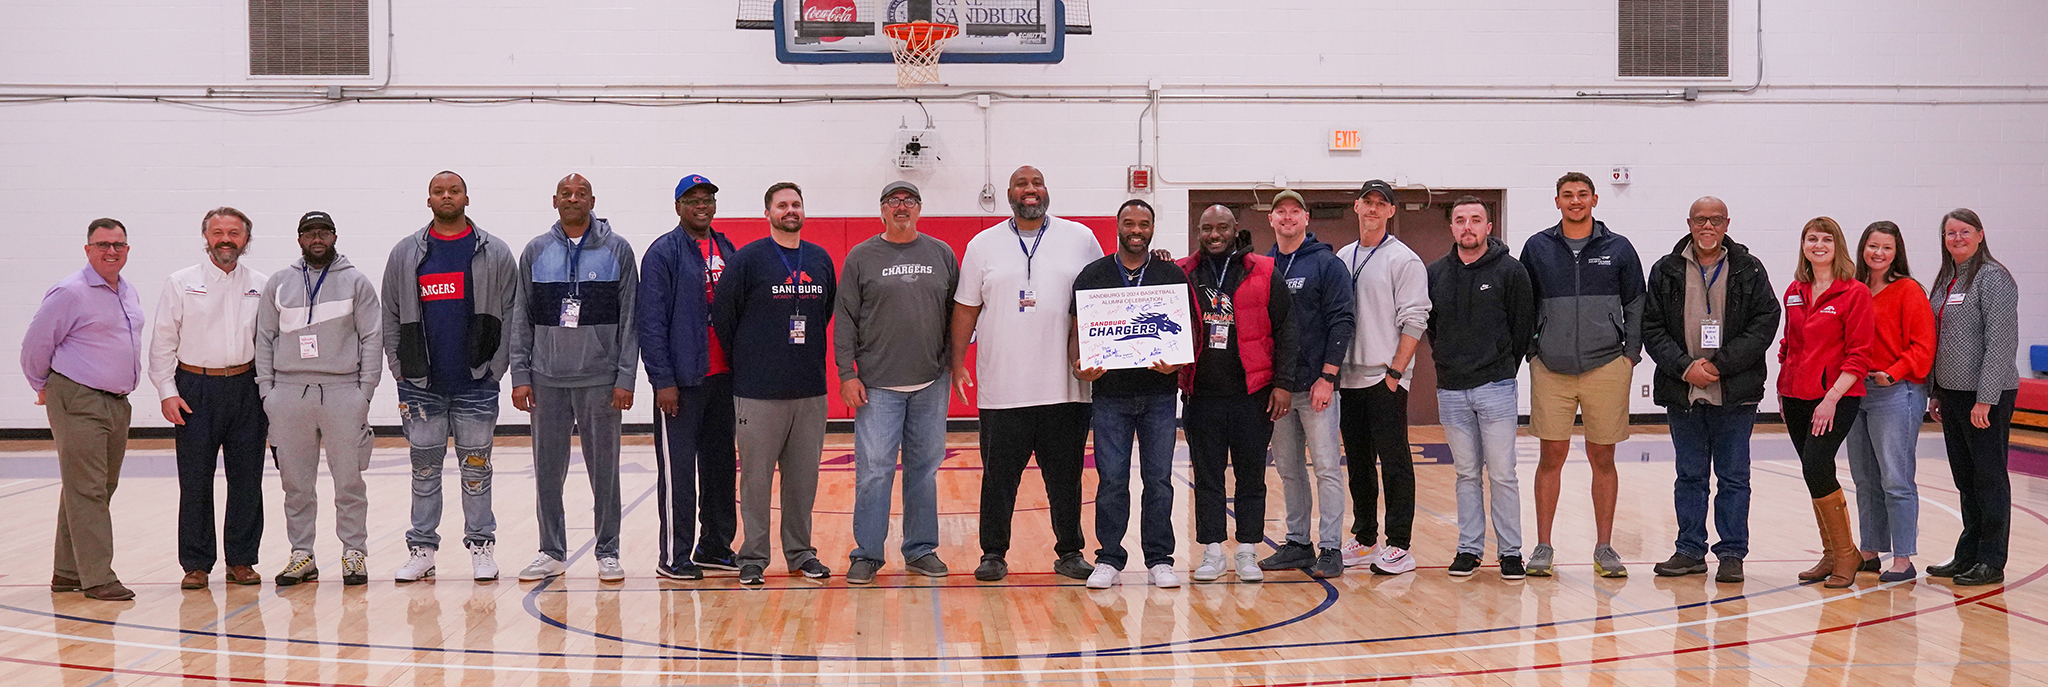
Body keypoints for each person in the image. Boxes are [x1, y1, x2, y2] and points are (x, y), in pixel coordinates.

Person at [950, 166, 1103, 582]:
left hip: (1066, 387)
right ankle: (993, 553)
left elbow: (1102, 296)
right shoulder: (983, 244)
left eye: (1036, 183)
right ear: (1009, 194)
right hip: (1003, 388)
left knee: (1066, 479)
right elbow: (966, 307)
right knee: (998, 480)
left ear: (1046, 190)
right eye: (1022, 184)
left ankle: (1070, 551)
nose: (1030, 190)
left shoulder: (1080, 238)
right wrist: (957, 360)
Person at [383, 170, 520, 583]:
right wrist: (399, 368)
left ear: (466, 198)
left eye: (454, 190)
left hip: (476, 383)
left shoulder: (493, 251)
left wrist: (496, 369)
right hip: (421, 385)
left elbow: (512, 312)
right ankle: (422, 549)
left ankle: (481, 545)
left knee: (476, 470)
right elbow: (390, 314)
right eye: (439, 191)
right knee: (424, 471)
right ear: (429, 201)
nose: (447, 196)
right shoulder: (406, 253)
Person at [1643, 197, 1779, 584]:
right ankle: (1689, 550)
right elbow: (1651, 327)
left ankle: (1732, 552)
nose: (1707, 226)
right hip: (1682, 390)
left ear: (1726, 223)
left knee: (1734, 476)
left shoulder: (1749, 269)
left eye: (1715, 220)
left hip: (1734, 391)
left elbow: (1765, 323)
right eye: (1701, 219)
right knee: (1689, 475)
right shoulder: (1666, 270)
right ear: (1689, 222)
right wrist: (1685, 368)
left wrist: (1719, 366)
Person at [510, 174, 639, 583]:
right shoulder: (535, 251)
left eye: (580, 194)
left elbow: (630, 322)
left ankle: (608, 551)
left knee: (606, 470)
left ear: (592, 201)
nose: (573, 199)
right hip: (547, 380)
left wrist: (625, 377)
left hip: (601, 380)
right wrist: (520, 373)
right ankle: (551, 550)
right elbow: (521, 318)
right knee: (547, 470)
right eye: (566, 193)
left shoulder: (618, 249)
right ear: (554, 201)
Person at [1519, 172, 1645, 578]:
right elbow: (1523, 302)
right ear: (1556, 201)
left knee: (1602, 458)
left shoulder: (1619, 248)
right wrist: (1532, 350)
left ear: (1594, 201)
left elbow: (1637, 304)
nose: (1575, 201)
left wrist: (1629, 355)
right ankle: (1543, 546)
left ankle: (1605, 548)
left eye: (1582, 195)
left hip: (1607, 366)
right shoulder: (1537, 248)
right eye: (1568, 195)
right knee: (1549, 457)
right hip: (1550, 368)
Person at [715, 182, 837, 585]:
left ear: (804, 211)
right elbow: (724, 318)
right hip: (757, 390)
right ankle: (752, 557)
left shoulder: (819, 260)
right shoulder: (748, 260)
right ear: (767, 212)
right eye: (782, 205)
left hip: (809, 390)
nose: (790, 210)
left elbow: (826, 312)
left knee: (803, 481)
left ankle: (801, 554)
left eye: (796, 204)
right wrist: (752, 360)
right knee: (755, 478)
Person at [837, 181, 959, 585]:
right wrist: (847, 373)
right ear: (883, 211)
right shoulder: (861, 257)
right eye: (894, 201)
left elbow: (958, 316)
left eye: (909, 201)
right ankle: (868, 553)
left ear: (920, 209)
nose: (901, 206)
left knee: (924, 471)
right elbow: (845, 321)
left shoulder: (941, 253)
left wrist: (953, 365)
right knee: (874, 472)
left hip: (930, 382)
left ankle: (920, 549)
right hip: (876, 386)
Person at [256, 211, 382, 587]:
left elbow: (372, 338)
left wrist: (365, 393)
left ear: (334, 236)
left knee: (349, 481)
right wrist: (268, 393)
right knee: (295, 483)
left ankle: (354, 553)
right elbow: (264, 339)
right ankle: (302, 554)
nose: (317, 239)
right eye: (310, 233)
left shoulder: (356, 281)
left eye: (323, 232)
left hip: (344, 392)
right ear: (299, 239)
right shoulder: (279, 283)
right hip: (289, 394)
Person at [22, 218, 145, 601]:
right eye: (103, 244)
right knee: (88, 489)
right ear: (88, 249)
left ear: (127, 249)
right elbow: (34, 346)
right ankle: (98, 578)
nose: (112, 251)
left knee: (94, 487)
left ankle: (67, 571)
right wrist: (42, 387)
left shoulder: (127, 291)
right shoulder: (70, 292)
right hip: (77, 397)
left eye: (119, 244)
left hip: (116, 401)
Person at [1069, 199, 1188, 589]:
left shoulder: (1171, 274)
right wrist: (1078, 366)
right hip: (1110, 396)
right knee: (1112, 480)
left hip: (1158, 394)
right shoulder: (1094, 274)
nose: (1136, 230)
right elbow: (1077, 331)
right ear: (1117, 226)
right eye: (1129, 223)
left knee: (1158, 480)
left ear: (1153, 228)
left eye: (1144, 224)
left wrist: (1177, 364)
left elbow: (1183, 333)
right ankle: (1109, 557)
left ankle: (1159, 559)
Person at [149, 207, 269, 589]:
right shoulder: (181, 282)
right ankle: (196, 564)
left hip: (246, 388)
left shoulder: (262, 284)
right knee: (196, 479)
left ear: (246, 239)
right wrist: (167, 392)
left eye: (234, 232)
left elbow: (270, 343)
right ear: (206, 237)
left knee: (247, 479)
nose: (225, 239)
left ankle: (242, 560)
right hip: (194, 389)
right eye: (217, 232)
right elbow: (162, 343)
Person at [1182, 205, 1296, 583]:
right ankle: (1212, 551)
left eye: (1222, 228)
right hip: (1201, 395)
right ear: (1199, 231)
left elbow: (1286, 331)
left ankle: (1248, 549)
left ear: (1235, 231)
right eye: (1207, 228)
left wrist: (1282, 384)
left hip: (1252, 395)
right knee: (1208, 476)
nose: (1214, 235)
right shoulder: (1184, 272)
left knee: (1251, 476)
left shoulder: (1263, 270)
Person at [637, 174, 741, 580]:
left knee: (719, 468)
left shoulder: (728, 248)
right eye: (693, 200)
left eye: (708, 199)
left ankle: (715, 547)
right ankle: (673, 556)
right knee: (679, 473)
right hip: (680, 384)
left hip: (723, 380)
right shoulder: (663, 253)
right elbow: (651, 323)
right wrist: (662, 380)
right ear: (678, 206)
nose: (702, 206)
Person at [1426, 196, 1535, 579]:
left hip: (1496, 387)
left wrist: (1502, 364)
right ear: (1452, 227)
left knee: (1503, 473)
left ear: (1489, 227)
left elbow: (1522, 327)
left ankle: (1510, 552)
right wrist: (1447, 361)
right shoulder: (1435, 273)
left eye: (1476, 220)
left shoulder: (1511, 271)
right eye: (1460, 220)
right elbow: (1432, 328)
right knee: (1466, 474)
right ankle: (1469, 548)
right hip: (1452, 390)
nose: (1467, 226)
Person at [1333, 179, 1430, 575]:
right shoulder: (1343, 256)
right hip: (1349, 378)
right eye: (1367, 202)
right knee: (1357, 462)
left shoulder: (1403, 260)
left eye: (1381, 204)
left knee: (1394, 461)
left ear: (1391, 211)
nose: (1373, 209)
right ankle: (1366, 537)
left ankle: (1399, 545)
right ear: (1356, 207)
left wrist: (1395, 372)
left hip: (1384, 377)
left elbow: (1415, 319)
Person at [1259, 190, 1355, 579]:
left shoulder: (1327, 265)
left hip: (1317, 386)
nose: (1287, 218)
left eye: (1294, 212)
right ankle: (1298, 542)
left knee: (1327, 468)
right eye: (1280, 212)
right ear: (1271, 220)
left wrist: (1328, 377)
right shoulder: (1262, 266)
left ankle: (1331, 547)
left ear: (1306, 218)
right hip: (1279, 388)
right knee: (1289, 469)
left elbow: (1342, 321)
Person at [1778, 216, 1875, 590]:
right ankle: (1832, 553)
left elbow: (1859, 354)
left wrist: (1831, 397)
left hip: (1836, 398)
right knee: (1813, 472)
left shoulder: (1855, 293)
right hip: (1795, 396)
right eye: (1810, 239)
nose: (1818, 245)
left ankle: (1847, 554)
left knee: (1818, 466)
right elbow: (1788, 344)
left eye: (1826, 240)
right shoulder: (1795, 290)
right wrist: (1783, 389)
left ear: (1838, 247)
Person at [1926, 208, 2019, 587]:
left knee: (1989, 477)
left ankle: (1992, 559)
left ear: (1980, 235)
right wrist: (1936, 392)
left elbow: (2001, 342)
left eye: (1965, 232)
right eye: (1950, 233)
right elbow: (1940, 341)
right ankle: (1968, 552)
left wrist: (1986, 398)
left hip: (1986, 396)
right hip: (1951, 394)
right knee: (1965, 477)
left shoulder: (1994, 278)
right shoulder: (1947, 278)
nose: (1957, 238)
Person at [1845, 221, 1934, 583]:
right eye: (1872, 246)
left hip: (1896, 391)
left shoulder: (1909, 290)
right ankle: (1870, 549)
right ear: (1862, 249)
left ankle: (1903, 557)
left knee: (1895, 479)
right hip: (1858, 391)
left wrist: (1893, 373)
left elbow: (1923, 347)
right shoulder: (1853, 289)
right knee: (1864, 478)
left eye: (1886, 247)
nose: (1878, 253)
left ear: (1897, 252)